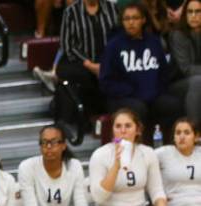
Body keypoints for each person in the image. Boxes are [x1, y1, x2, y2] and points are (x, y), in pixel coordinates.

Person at [99, 3, 183, 143]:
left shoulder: (154, 42)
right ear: (122, 21)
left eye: (135, 18)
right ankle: (144, 153)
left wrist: (156, 91)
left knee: (172, 105)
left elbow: (163, 73)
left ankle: (170, 149)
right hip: (123, 97)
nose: (131, 22)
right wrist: (132, 91)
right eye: (127, 19)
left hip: (151, 95)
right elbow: (106, 82)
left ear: (143, 20)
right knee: (139, 108)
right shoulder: (113, 46)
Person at [56, 0, 118, 125]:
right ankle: (79, 122)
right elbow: (68, 45)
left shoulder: (113, 9)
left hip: (109, 61)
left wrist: (107, 64)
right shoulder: (71, 12)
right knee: (79, 76)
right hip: (80, 62)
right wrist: (89, 64)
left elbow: (119, 38)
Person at [170, 0, 201, 126]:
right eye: (189, 12)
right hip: (179, 83)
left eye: (198, 11)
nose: (193, 15)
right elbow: (186, 69)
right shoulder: (178, 35)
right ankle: (196, 131)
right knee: (198, 81)